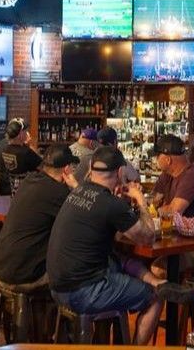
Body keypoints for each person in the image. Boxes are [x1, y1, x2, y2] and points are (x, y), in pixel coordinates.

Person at [46, 146, 172, 345]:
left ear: (91, 169)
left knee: (119, 260)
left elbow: (109, 226)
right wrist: (140, 200)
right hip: (82, 292)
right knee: (156, 297)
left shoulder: (78, 191)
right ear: (120, 172)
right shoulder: (111, 204)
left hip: (56, 287)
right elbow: (147, 237)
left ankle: (154, 281)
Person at [0, 145, 79, 294]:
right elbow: (84, 217)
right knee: (79, 274)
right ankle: (56, 317)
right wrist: (76, 186)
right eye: (72, 167)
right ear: (66, 170)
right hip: (24, 277)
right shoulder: (58, 192)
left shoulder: (28, 181)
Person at [151, 134, 194, 277]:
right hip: (181, 241)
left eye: (157, 156)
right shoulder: (167, 175)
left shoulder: (193, 175)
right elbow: (153, 202)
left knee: (159, 268)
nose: (155, 159)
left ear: (168, 159)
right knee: (139, 259)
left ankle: (181, 296)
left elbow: (172, 213)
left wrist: (160, 208)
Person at [75, 127, 139, 185]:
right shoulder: (121, 161)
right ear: (114, 142)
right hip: (111, 196)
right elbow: (136, 180)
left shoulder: (88, 159)